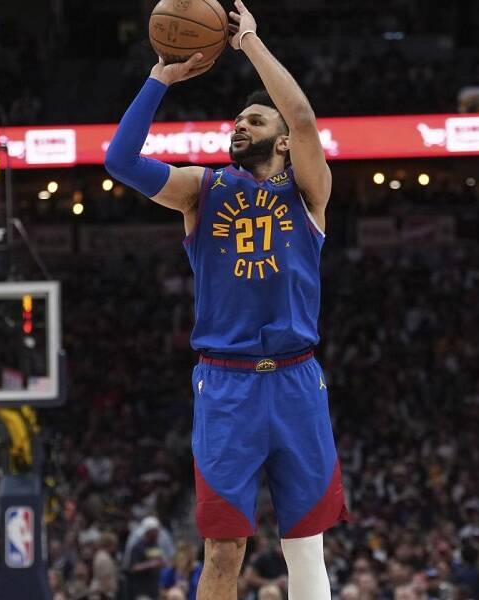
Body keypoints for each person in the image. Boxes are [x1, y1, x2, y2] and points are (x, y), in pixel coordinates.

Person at [104, 2, 347, 599]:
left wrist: (249, 43)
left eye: (254, 120)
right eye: (236, 120)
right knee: (222, 550)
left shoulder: (308, 193)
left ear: (283, 143)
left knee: (306, 546)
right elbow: (119, 161)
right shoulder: (202, 189)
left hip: (296, 378)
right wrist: (159, 79)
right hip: (226, 384)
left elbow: (303, 118)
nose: (239, 126)